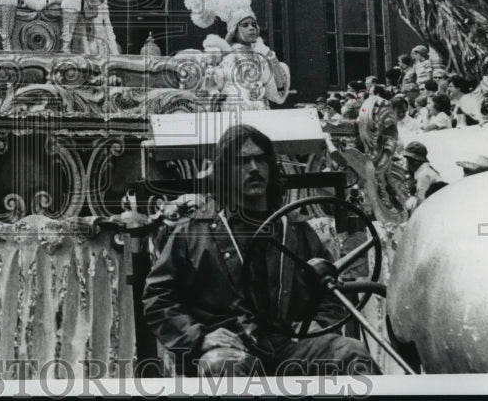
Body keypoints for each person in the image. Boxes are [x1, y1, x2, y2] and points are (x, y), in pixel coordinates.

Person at [143, 124, 376, 377]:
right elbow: (158, 297)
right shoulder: (193, 235)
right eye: (242, 161)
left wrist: (319, 324)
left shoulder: (295, 230)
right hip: (231, 347)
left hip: (290, 346)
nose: (253, 169)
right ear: (225, 172)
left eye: (260, 159)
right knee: (223, 364)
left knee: (351, 353)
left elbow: (329, 291)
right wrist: (198, 337)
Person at [402, 141, 442, 212]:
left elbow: (421, 204)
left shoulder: (423, 175)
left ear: (414, 162)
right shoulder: (428, 171)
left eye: (407, 160)